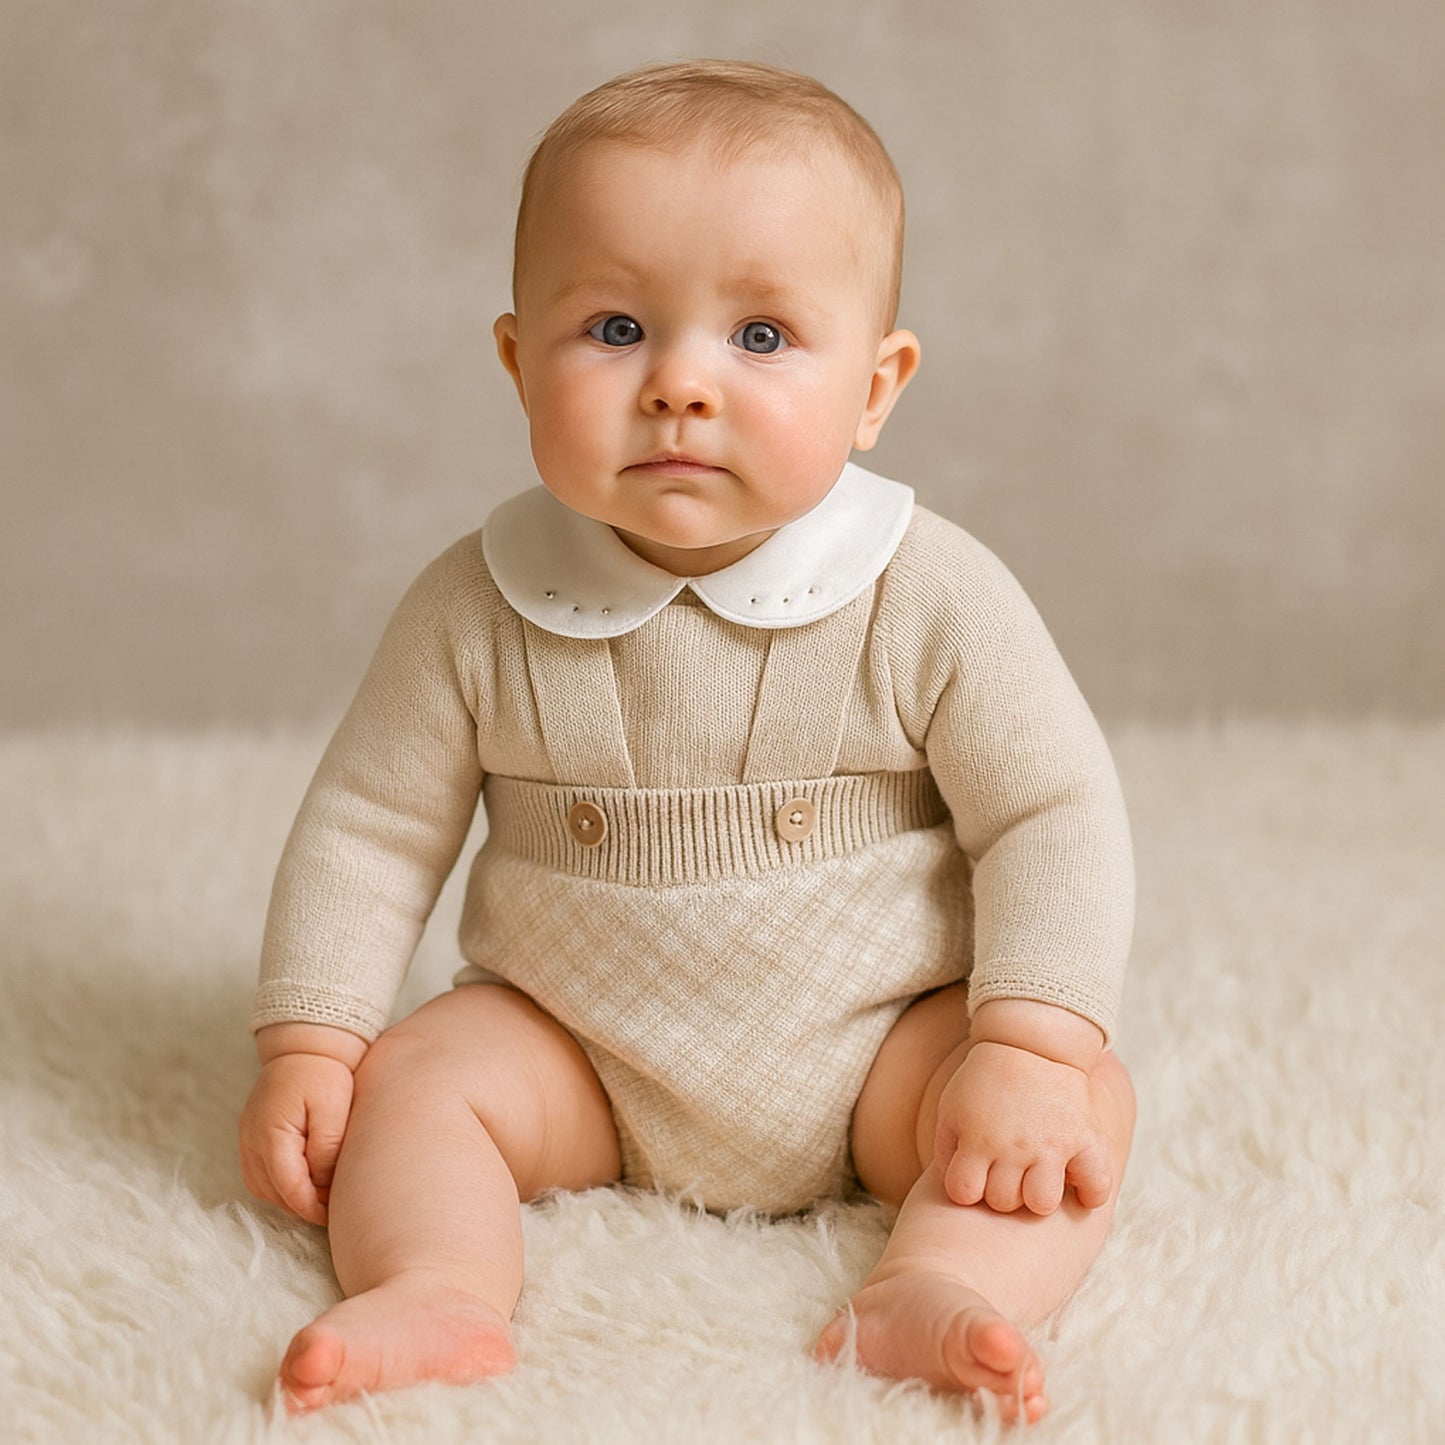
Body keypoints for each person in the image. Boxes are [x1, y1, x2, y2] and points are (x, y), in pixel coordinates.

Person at [238, 59, 1136, 1423]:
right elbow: (369, 827)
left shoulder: (929, 591)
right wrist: (311, 1039)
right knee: (414, 1082)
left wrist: (1029, 1040)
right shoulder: (474, 604)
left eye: (761, 336)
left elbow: (1051, 810)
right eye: (614, 328)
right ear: (516, 361)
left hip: (881, 1046)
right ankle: (435, 1283)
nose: (678, 386)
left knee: (1075, 1109)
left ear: (875, 386)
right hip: (576, 1054)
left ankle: (940, 1282)